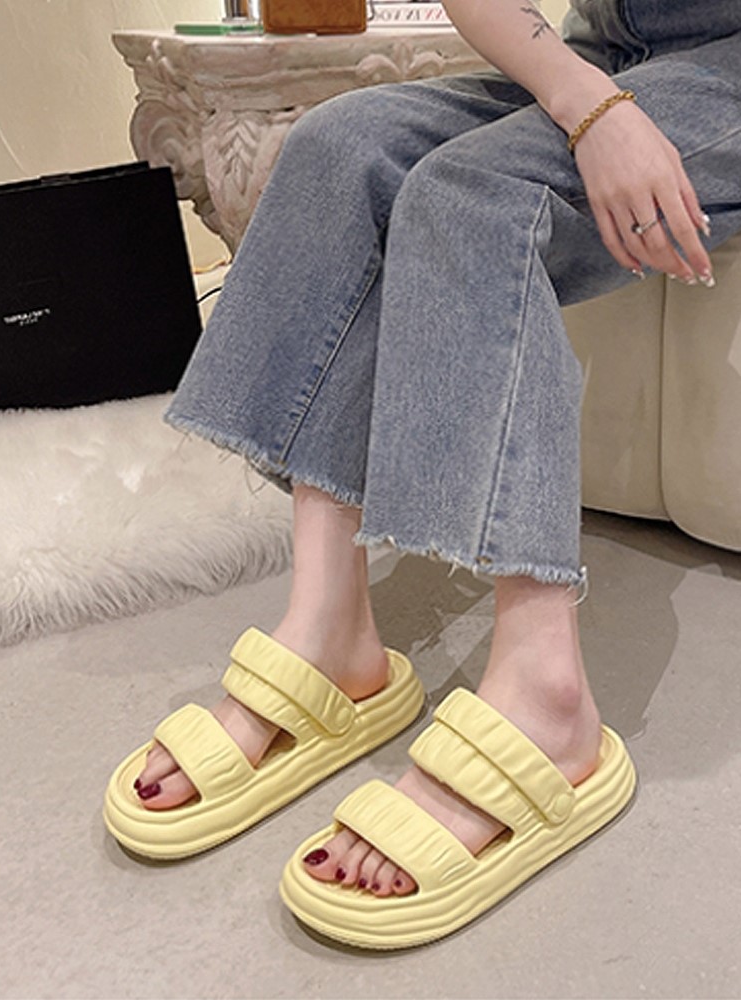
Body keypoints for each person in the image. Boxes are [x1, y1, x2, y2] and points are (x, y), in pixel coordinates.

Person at [103, 0, 741, 948]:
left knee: (475, 190)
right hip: (608, 51)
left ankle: (546, 691)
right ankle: (329, 627)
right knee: (338, 148)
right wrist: (592, 105)